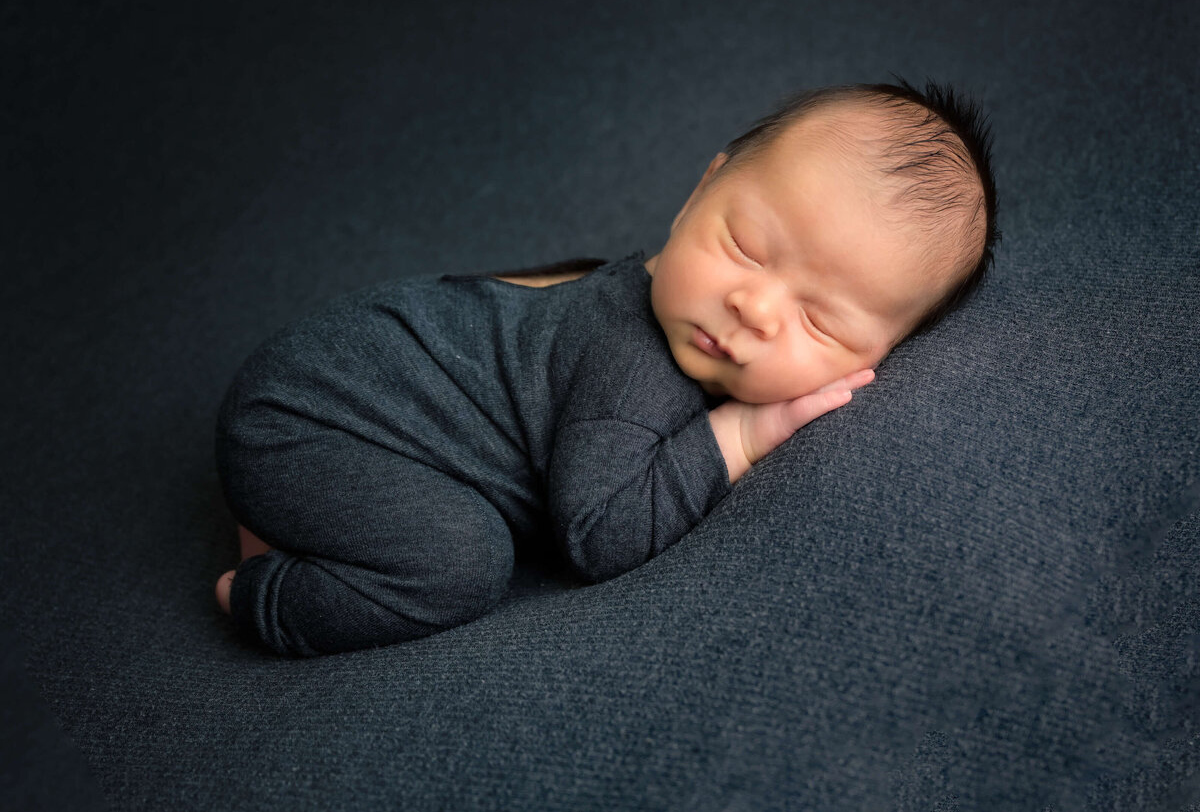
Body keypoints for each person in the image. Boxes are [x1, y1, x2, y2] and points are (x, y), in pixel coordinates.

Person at [213, 79, 998, 656]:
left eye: (819, 319)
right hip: (309, 416)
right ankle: (263, 593)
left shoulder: (645, 314)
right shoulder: (628, 369)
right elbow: (599, 533)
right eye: (746, 248)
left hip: (339, 396)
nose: (754, 308)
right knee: (461, 563)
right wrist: (743, 435)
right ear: (701, 189)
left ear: (883, 356)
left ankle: (305, 510)